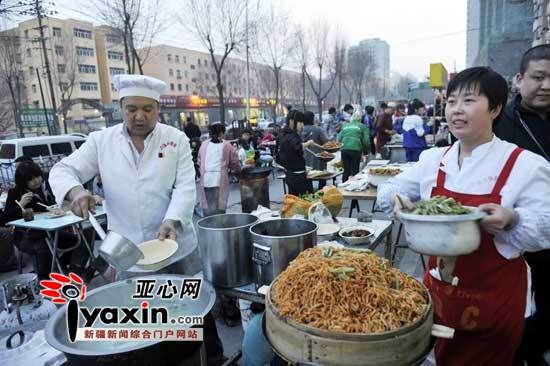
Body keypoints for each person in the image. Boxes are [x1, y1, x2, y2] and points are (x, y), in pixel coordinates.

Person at [377, 66, 550, 366]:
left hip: (495, 300)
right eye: (452, 101)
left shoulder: (524, 164)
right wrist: (395, 199)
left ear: (496, 108)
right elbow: (389, 189)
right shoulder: (434, 160)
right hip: (440, 293)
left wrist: (512, 219)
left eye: (469, 101)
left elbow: (546, 228)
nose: (457, 110)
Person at [49, 74, 226, 365]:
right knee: (145, 317)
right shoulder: (100, 141)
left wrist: (173, 220)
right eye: (131, 109)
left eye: (147, 109)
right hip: (129, 251)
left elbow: (184, 185)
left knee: (192, 310)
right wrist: (76, 190)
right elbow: (62, 170)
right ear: (121, 107)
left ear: (158, 109)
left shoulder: (175, 139)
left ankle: (213, 358)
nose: (139, 116)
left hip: (176, 246)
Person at [493, 44, 550, 366]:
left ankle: (528, 350)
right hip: (513, 233)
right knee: (513, 305)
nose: (546, 85)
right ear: (519, 79)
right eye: (538, 77)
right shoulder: (500, 122)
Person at [4, 162, 81, 279]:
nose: (36, 181)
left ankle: (67, 267)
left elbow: (55, 205)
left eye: (37, 176)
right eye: (30, 179)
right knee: (44, 246)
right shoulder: (15, 193)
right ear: (23, 181)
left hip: (51, 232)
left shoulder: (46, 187)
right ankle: (43, 281)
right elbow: (5, 219)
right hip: (25, 236)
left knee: (80, 239)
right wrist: (20, 204)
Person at [198, 122, 241, 216]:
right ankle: (219, 227)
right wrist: (238, 170)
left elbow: (199, 161)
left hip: (206, 180)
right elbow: (234, 162)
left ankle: (208, 227)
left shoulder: (204, 145)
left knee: (208, 207)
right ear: (221, 133)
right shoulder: (226, 145)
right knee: (219, 208)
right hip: (219, 180)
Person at [276, 110, 314, 195]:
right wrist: (308, 143)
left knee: (295, 202)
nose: (302, 125)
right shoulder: (291, 135)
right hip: (297, 176)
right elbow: (298, 147)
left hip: (290, 174)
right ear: (292, 121)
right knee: (304, 201)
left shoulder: (283, 133)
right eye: (300, 122)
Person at [338, 111, 370, 182]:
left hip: (344, 149)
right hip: (355, 149)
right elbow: (366, 141)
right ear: (360, 119)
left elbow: (339, 138)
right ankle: (354, 186)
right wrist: (366, 151)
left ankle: (344, 186)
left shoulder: (345, 125)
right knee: (355, 170)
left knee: (346, 170)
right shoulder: (363, 126)